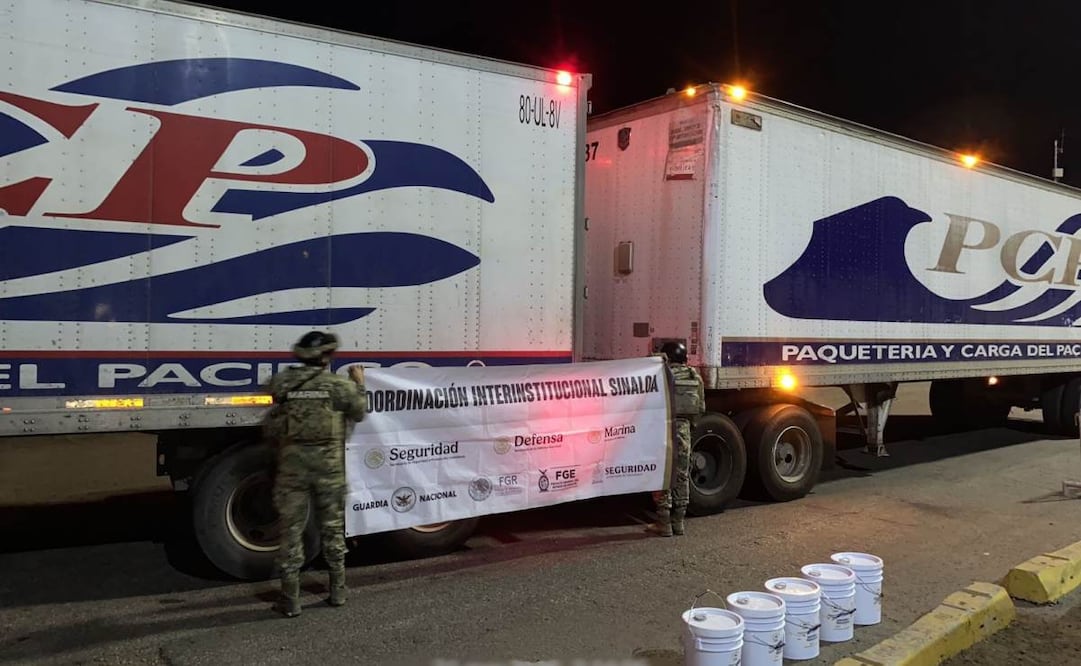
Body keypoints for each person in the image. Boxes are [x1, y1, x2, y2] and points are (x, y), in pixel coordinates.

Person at [264, 331, 367, 618]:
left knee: (291, 530)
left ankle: (291, 600)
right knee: (332, 527)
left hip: (292, 469)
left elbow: (273, 391)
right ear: (327, 356)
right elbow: (359, 412)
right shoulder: (338, 386)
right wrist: (359, 383)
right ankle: (337, 592)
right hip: (329, 468)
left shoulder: (284, 381)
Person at [648, 341, 705, 537]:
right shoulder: (694, 376)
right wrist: (689, 428)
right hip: (684, 430)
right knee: (681, 474)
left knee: (663, 474)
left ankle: (663, 523)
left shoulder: (662, 375)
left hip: (663, 428)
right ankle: (679, 522)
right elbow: (700, 409)